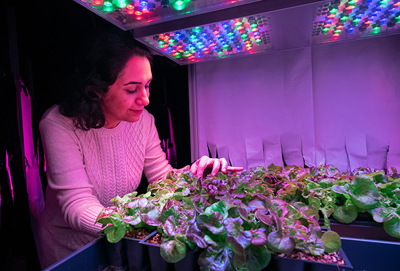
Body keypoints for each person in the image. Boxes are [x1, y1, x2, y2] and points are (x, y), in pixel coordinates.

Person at [37, 32, 241, 269]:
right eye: (132, 89)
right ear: (96, 90)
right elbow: (77, 205)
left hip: (119, 242)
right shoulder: (59, 124)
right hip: (73, 249)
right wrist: (139, 224)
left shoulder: (144, 121)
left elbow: (161, 178)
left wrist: (194, 175)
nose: (145, 99)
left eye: (147, 85)